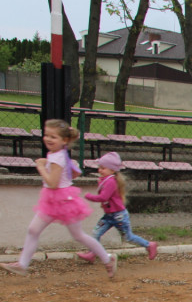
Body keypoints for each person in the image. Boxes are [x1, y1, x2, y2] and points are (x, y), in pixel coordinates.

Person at [2, 119, 117, 278]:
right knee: (33, 230)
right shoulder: (59, 153)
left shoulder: (57, 157)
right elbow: (76, 172)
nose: (48, 139)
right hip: (54, 200)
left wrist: (41, 167)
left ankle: (108, 258)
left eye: (53, 137)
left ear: (64, 140)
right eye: (46, 135)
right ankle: (22, 264)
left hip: (63, 201)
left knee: (78, 235)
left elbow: (52, 183)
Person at [76, 151, 158, 264]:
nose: (100, 170)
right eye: (99, 167)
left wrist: (89, 196)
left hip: (118, 216)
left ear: (112, 170)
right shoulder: (106, 180)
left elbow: (103, 197)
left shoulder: (110, 182)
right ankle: (92, 253)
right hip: (109, 215)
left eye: (103, 168)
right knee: (96, 233)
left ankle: (149, 245)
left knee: (128, 237)